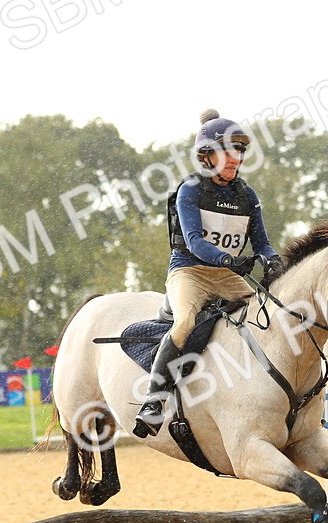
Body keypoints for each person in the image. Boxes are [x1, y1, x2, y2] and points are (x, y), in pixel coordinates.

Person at [132, 109, 284, 438]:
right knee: (185, 322)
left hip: (226, 274)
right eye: (228, 151)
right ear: (207, 156)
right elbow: (194, 242)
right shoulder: (191, 190)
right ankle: (154, 400)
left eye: (239, 151)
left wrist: (272, 260)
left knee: (268, 316)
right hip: (189, 272)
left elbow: (261, 242)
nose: (235, 158)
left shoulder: (247, 195)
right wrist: (229, 261)